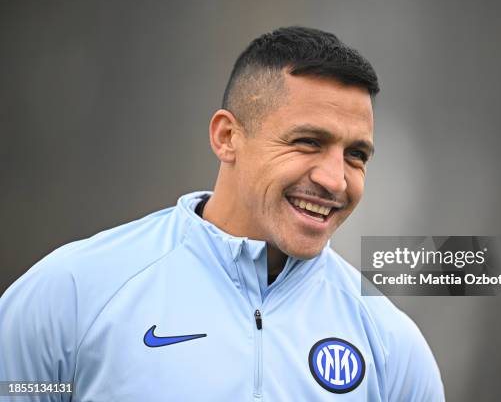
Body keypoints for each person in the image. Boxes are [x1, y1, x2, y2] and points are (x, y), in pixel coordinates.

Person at [0, 26, 444, 401]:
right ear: (227, 136)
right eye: (308, 141)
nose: (335, 180)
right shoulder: (72, 293)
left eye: (356, 154)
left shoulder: (390, 343)